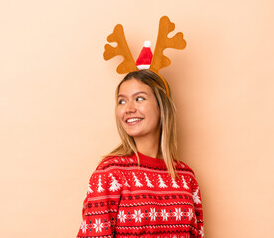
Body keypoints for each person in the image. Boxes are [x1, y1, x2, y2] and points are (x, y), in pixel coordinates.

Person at [76, 69, 204, 238]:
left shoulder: (187, 177)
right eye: (122, 101)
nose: (128, 108)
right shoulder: (110, 173)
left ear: (161, 106)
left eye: (139, 98)